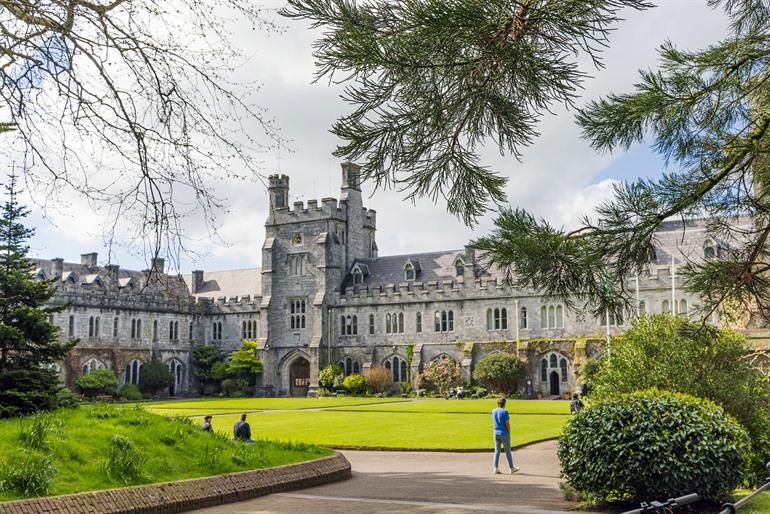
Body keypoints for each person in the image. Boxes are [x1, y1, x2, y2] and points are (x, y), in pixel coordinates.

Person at [492, 397, 519, 474]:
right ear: (504, 404)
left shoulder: (493, 411)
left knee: (497, 451)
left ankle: (495, 468)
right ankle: (511, 468)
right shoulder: (505, 411)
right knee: (508, 452)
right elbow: (507, 424)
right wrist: (509, 432)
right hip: (504, 433)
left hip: (496, 433)